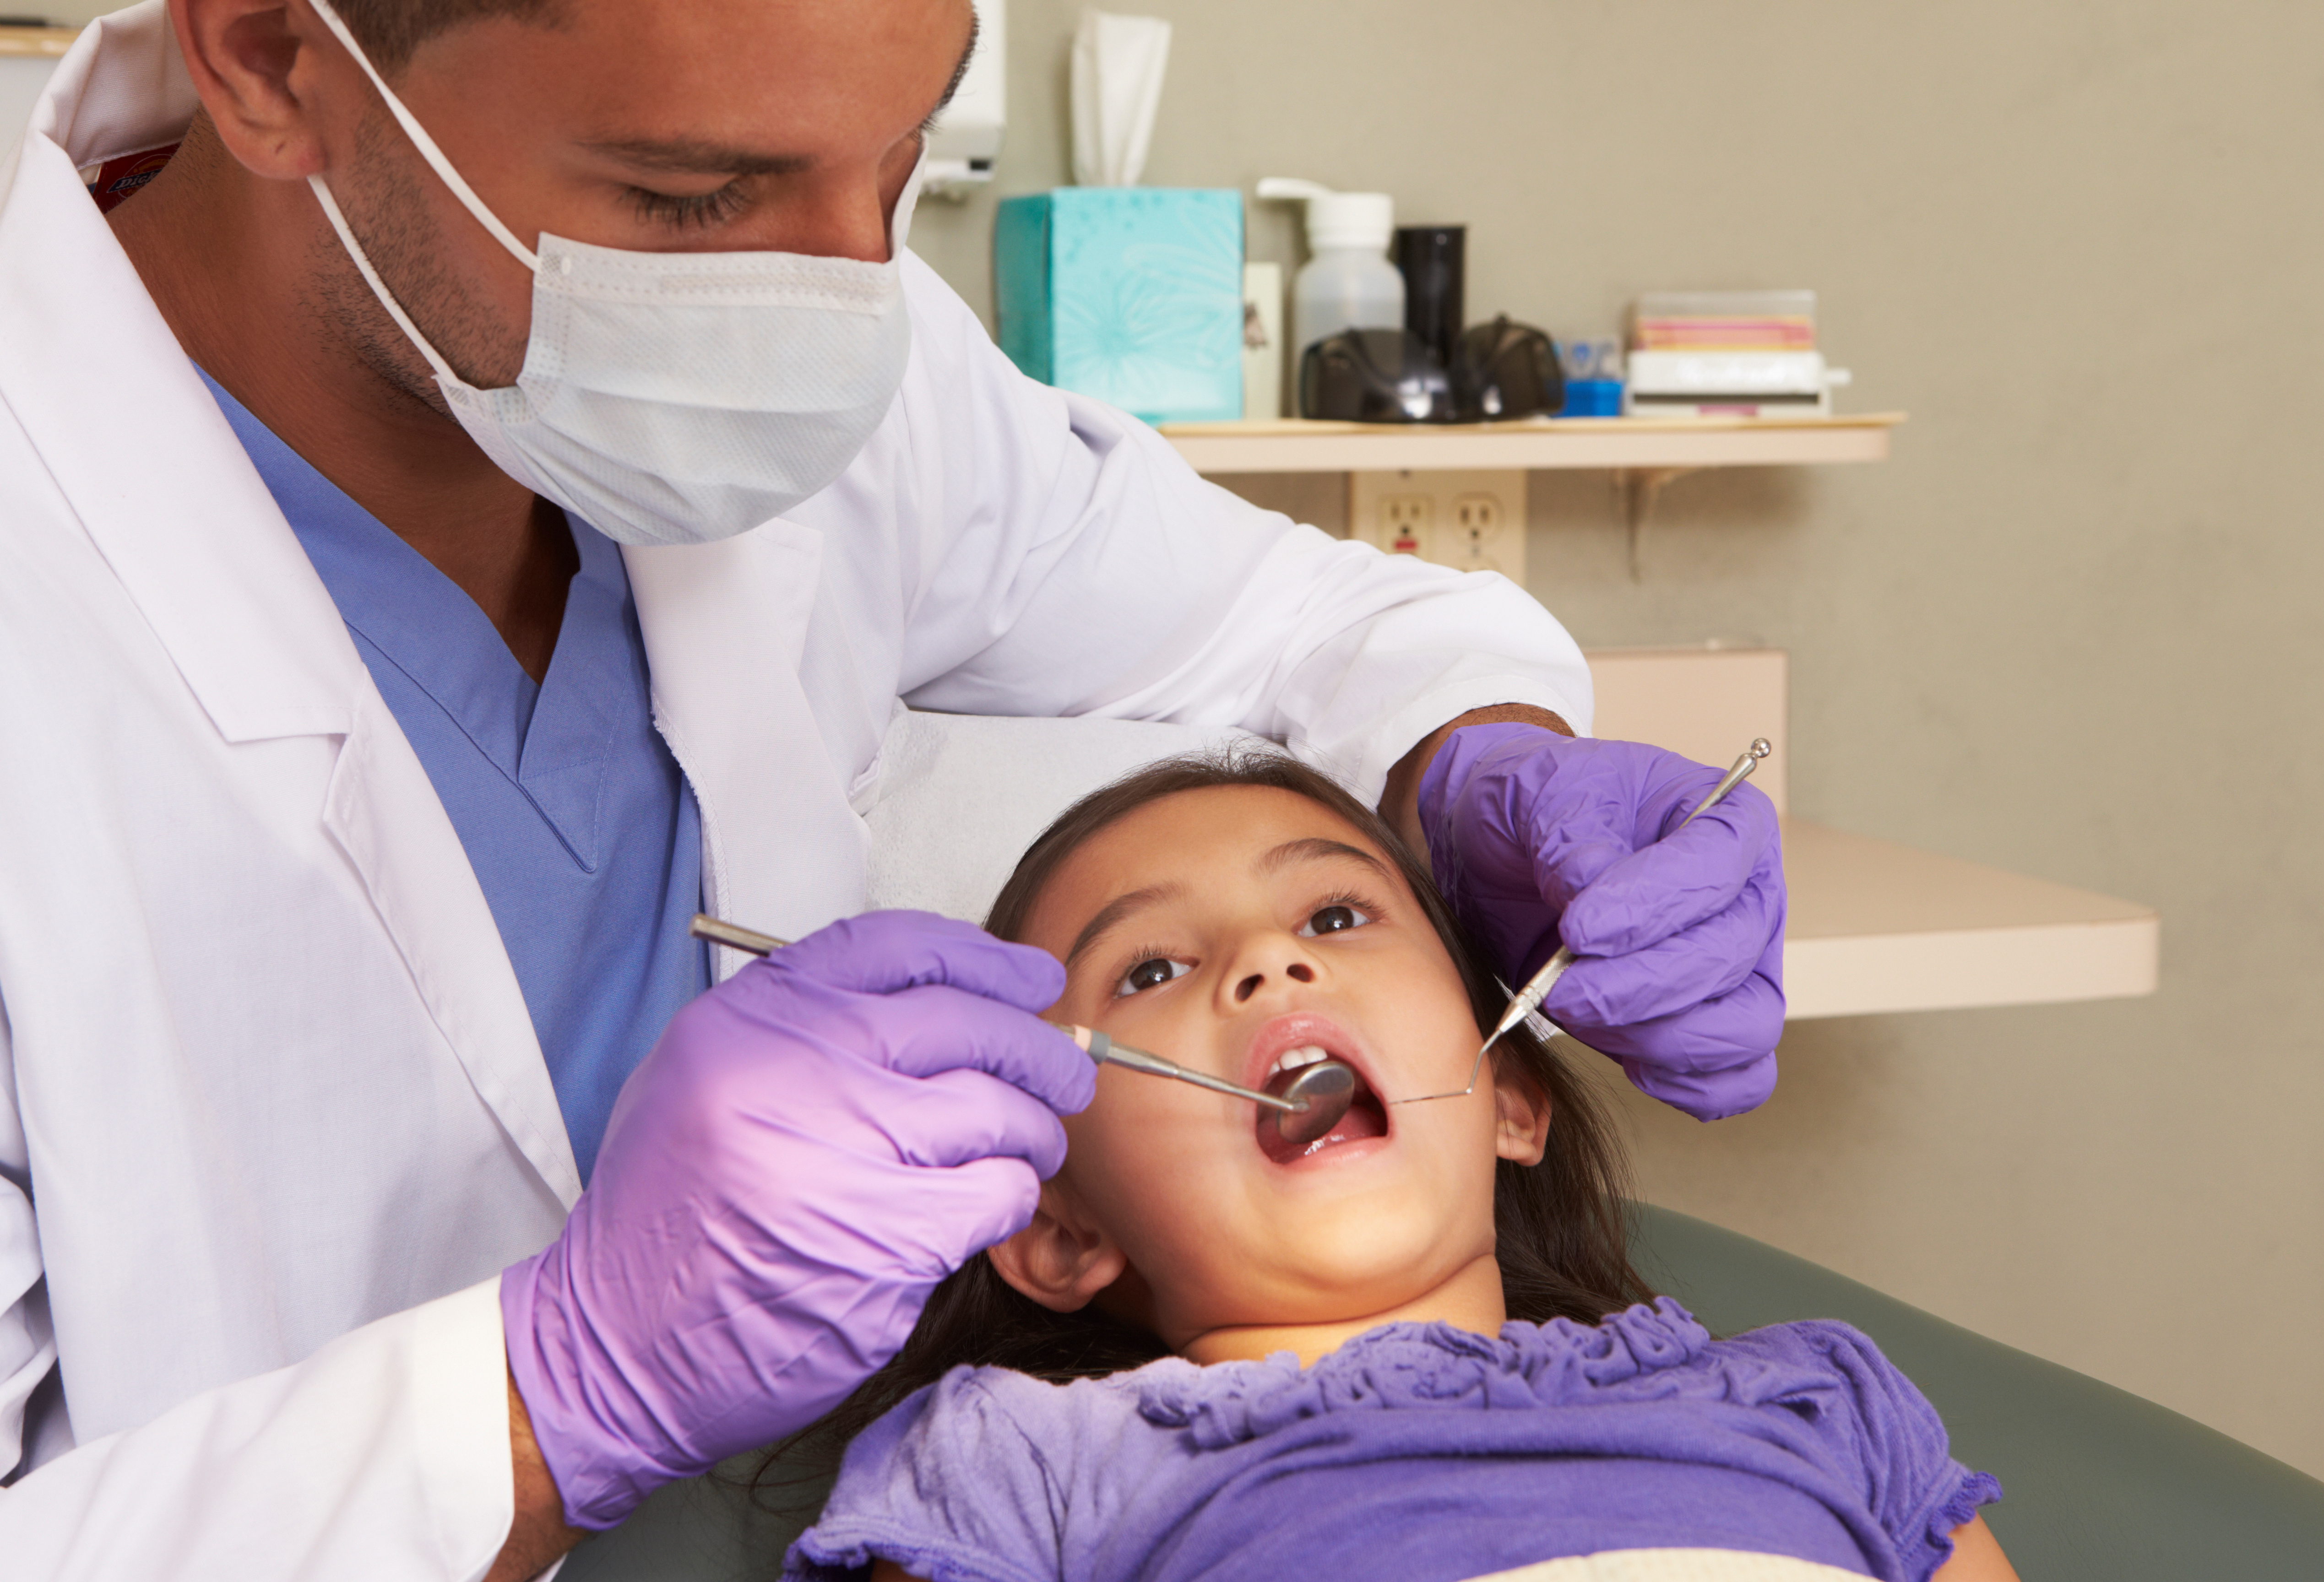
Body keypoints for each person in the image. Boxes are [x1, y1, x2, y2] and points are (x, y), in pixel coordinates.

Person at [0, 2, 1784, 1577]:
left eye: (906, 159)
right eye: (692, 199)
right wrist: (560, 1396)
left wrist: (1474, 763)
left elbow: (1307, 623)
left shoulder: (811, 338)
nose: (845, 296)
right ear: (270, 57)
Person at [783, 752, 2007, 1582]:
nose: (1269, 964)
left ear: (1511, 1102)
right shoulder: (1021, 1464)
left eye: (1333, 916)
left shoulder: (1822, 1403)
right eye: (1149, 971)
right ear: (1058, 1232)